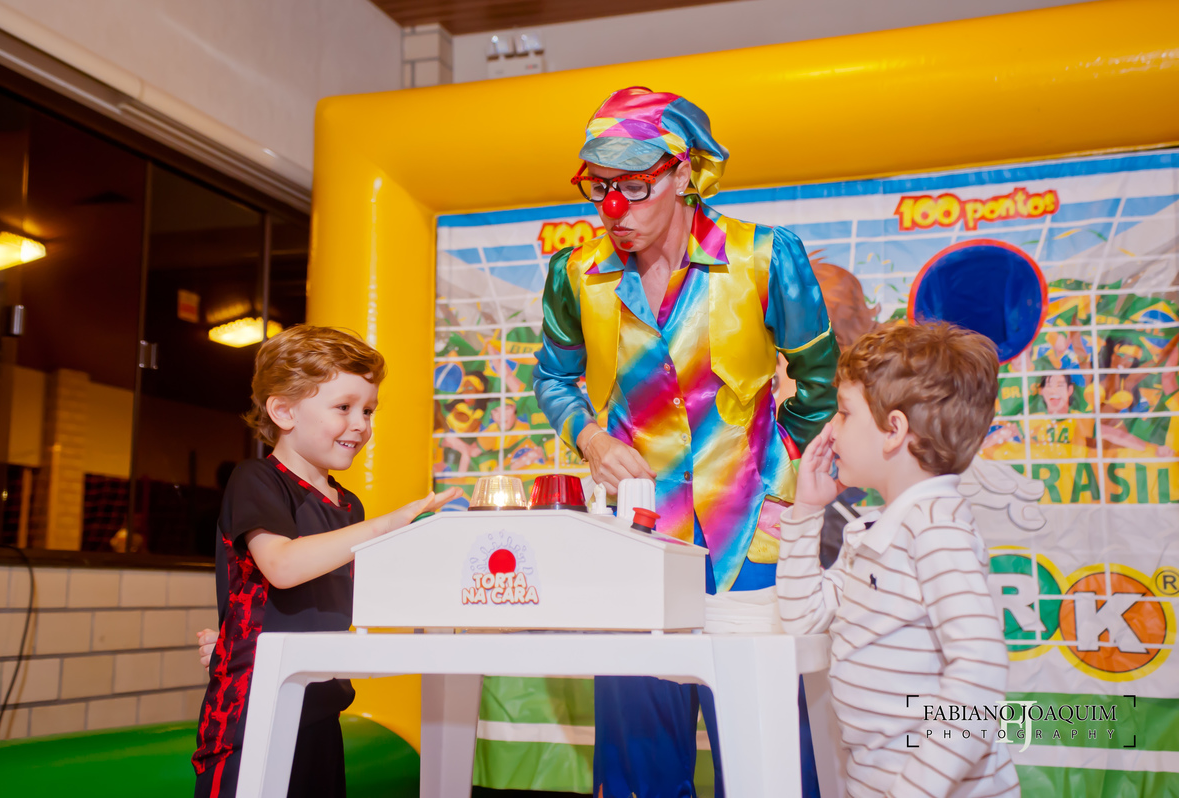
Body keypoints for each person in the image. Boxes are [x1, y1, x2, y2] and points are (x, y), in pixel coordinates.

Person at [534, 86, 838, 798]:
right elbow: (553, 377)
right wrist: (590, 439)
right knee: (639, 754)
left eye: (635, 186)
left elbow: (820, 382)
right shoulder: (574, 273)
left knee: (763, 745)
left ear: (684, 173)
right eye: (599, 186)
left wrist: (778, 473)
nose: (614, 206)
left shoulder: (765, 256)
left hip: (751, 535)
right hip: (635, 535)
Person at [192, 325, 459, 798]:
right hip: (254, 708)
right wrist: (388, 524)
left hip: (319, 704)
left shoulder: (347, 505)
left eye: (368, 410)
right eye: (344, 407)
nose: (361, 424)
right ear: (284, 411)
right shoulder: (257, 480)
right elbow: (282, 566)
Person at [776, 322, 1021, 798]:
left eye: (844, 413)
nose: (830, 429)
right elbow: (803, 617)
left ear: (893, 431)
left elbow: (980, 671)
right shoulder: (875, 534)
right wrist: (806, 510)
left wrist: (916, 788)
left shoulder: (936, 529)